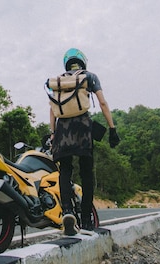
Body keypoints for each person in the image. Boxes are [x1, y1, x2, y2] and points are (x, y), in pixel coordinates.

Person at [48, 48, 120, 235]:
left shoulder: (59, 81)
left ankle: (67, 212)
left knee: (65, 170)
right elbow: (102, 103)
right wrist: (112, 129)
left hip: (63, 130)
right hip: (82, 127)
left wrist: (53, 133)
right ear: (82, 61)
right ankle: (87, 218)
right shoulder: (90, 77)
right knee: (87, 172)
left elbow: (52, 109)